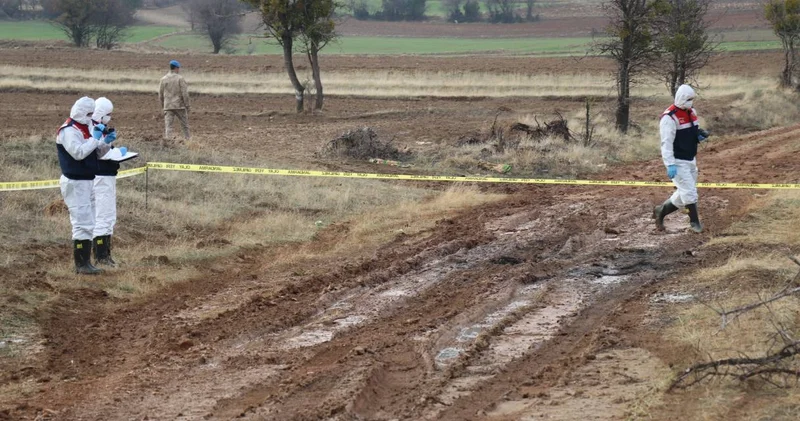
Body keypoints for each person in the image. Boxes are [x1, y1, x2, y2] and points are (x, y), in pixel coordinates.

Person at [56, 97, 116, 274]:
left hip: (87, 180)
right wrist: (94, 139)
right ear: (81, 112)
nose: (91, 118)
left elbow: (96, 153)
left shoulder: (86, 128)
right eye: (89, 114)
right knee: (81, 222)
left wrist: (106, 142)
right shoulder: (69, 131)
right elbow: (79, 153)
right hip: (75, 181)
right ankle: (81, 264)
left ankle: (86, 262)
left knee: (89, 221)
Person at [653, 84, 710, 233]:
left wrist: (699, 135)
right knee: (690, 192)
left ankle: (661, 210)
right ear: (681, 98)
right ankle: (694, 223)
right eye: (688, 99)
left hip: (690, 158)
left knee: (684, 192)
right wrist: (670, 164)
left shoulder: (692, 112)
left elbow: (692, 131)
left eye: (692, 99)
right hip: (677, 161)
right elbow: (666, 143)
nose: (691, 102)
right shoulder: (669, 117)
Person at [91, 97, 127, 267]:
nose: (109, 117)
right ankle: (100, 256)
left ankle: (106, 254)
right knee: (102, 217)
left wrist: (112, 147)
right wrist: (107, 145)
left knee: (109, 216)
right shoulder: (91, 128)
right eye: (108, 114)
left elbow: (102, 150)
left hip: (108, 175)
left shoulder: (101, 128)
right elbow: (93, 152)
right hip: (100, 177)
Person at [159, 59, 190, 143]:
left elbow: (160, 94)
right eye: (178, 68)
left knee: (168, 127)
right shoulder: (180, 78)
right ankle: (188, 141)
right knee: (185, 126)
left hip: (168, 106)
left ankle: (168, 143)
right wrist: (187, 106)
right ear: (176, 68)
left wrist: (163, 106)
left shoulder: (163, 79)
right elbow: (185, 93)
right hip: (179, 106)